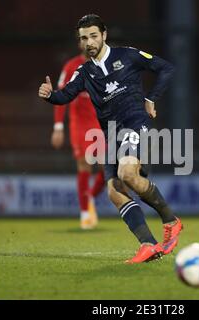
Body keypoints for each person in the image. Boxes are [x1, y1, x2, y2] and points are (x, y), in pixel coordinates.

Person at [39, 14, 183, 264]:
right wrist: (50, 95)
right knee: (114, 191)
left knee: (128, 174)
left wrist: (151, 99)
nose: (89, 42)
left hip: (134, 123)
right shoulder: (83, 72)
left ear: (104, 35)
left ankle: (171, 221)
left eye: (93, 35)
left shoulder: (127, 55)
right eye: (84, 38)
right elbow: (65, 97)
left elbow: (166, 68)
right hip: (111, 134)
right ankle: (148, 245)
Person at [51, 43, 105, 230]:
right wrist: (58, 127)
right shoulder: (71, 66)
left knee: (109, 167)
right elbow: (60, 96)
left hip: (101, 122)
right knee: (84, 164)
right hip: (80, 122)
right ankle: (85, 214)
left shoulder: (107, 64)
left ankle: (88, 197)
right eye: (84, 38)